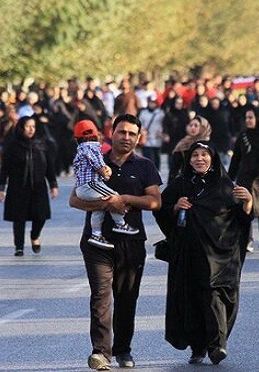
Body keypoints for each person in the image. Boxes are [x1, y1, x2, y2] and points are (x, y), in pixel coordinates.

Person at [68, 114, 162, 370]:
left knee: (126, 298)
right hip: (97, 243)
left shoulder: (145, 166)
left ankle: (123, 349)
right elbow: (74, 199)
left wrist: (126, 200)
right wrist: (106, 204)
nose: (126, 137)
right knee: (100, 296)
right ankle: (101, 352)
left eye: (132, 134)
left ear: (139, 137)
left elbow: (155, 201)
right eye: (122, 132)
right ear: (112, 133)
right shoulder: (94, 159)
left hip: (131, 244)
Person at [154, 140, 253, 365]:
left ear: (213, 158)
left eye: (204, 155)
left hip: (220, 254)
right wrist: (175, 207)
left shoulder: (225, 185)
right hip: (189, 254)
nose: (199, 159)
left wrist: (248, 203)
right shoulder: (181, 184)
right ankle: (198, 347)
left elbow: (241, 219)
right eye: (195, 155)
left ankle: (218, 345)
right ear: (188, 160)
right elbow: (161, 209)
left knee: (214, 294)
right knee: (191, 299)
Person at [72, 119, 139, 250]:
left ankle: (96, 234)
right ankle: (120, 223)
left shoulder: (80, 149)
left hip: (83, 186)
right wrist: (104, 172)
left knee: (99, 209)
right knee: (114, 196)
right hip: (90, 184)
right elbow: (95, 161)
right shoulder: (91, 147)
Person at [0, 116, 58, 256]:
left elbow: (49, 167)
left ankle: (35, 235)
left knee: (41, 216)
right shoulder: (13, 145)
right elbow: (4, 168)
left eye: (33, 126)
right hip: (18, 187)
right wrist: (1, 188)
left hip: (38, 186)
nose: (31, 129)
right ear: (21, 128)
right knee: (19, 218)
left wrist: (53, 185)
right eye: (28, 126)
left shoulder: (41, 145)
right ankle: (19, 246)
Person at [228, 107, 259, 252]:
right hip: (245, 178)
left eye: (251, 117)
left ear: (258, 118)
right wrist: (229, 179)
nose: (248, 120)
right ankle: (247, 239)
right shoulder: (243, 136)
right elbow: (236, 159)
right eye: (247, 118)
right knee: (246, 209)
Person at [168, 116, 212, 182]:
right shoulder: (183, 143)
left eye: (196, 125)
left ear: (203, 128)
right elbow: (174, 168)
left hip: (205, 182)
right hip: (185, 182)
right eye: (191, 125)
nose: (193, 127)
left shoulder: (207, 145)